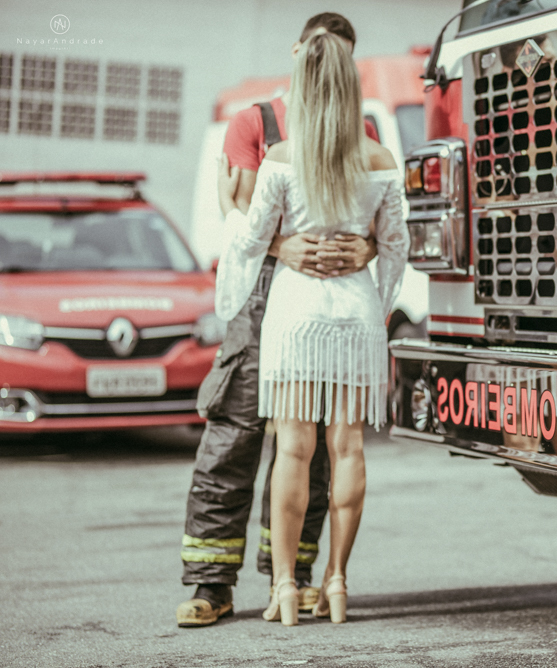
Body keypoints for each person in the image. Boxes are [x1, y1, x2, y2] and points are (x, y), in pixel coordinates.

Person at [175, 12, 378, 629]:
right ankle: (211, 584)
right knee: (234, 436)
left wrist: (366, 250)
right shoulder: (254, 123)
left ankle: (291, 578)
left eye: (339, 56)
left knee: (311, 452)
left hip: (329, 297)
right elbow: (233, 213)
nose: (327, 66)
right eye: (320, 52)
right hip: (265, 294)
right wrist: (280, 248)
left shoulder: (363, 129)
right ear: (297, 52)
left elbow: (375, 224)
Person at [215, 30, 407, 626]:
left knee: (291, 450)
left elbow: (248, 246)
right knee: (346, 448)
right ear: (351, 87)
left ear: (302, 85)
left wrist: (234, 206)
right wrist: (367, 259)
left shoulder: (279, 160)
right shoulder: (379, 162)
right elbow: (397, 250)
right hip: (353, 318)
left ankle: (283, 592)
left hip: (295, 317)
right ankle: (337, 582)